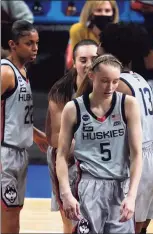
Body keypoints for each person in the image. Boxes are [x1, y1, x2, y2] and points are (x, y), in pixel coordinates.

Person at [78, 22, 153, 233]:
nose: (97, 49)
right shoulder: (140, 80)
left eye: (100, 45)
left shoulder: (115, 84)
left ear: (109, 50)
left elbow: (83, 111)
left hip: (139, 162)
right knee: (139, 227)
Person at [56, 54, 143, 233]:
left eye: (115, 81)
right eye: (104, 81)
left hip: (120, 186)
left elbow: (136, 155)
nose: (110, 87)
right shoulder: (73, 109)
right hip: (89, 186)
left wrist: (132, 196)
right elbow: (61, 155)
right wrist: (66, 193)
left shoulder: (128, 104)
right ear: (91, 76)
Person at [45, 39, 98, 233]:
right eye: (83, 60)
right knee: (72, 221)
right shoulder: (60, 91)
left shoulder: (109, 86)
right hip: (66, 160)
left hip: (96, 159)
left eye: (94, 58)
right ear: (73, 62)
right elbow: (58, 140)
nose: (89, 64)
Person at [1, 20, 48, 234]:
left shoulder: (23, 72)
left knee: (14, 212)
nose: (35, 47)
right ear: (13, 44)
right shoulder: (6, 72)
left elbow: (16, 116)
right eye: (29, 43)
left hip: (19, 152)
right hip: (5, 154)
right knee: (9, 216)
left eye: (36, 42)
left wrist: (36, 134)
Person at [66, 0, 119, 69]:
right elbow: (74, 61)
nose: (103, 14)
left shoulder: (117, 33)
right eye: (99, 10)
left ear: (113, 13)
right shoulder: (78, 30)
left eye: (107, 11)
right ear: (90, 13)